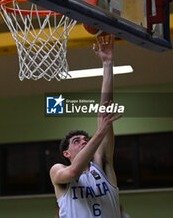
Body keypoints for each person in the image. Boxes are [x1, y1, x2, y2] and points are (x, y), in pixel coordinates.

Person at [50, 34, 122, 218]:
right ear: (66, 153)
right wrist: (99, 133)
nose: (83, 142)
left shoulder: (102, 165)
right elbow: (74, 171)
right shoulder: (58, 171)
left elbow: (105, 107)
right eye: (76, 141)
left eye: (85, 139)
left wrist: (107, 64)